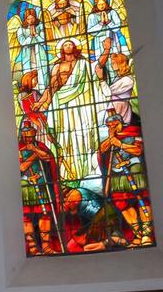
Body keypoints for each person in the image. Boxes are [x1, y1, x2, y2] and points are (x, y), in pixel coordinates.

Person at [33, 39, 97, 180]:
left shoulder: (83, 63)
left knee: (81, 135)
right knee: (64, 136)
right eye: (65, 45)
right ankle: (66, 174)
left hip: (80, 103)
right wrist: (40, 102)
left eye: (70, 44)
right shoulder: (57, 66)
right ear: (62, 49)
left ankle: (85, 171)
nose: (68, 46)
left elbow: (92, 83)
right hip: (61, 103)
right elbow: (52, 87)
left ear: (75, 47)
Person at [98, 109, 154, 245]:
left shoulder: (132, 133)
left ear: (120, 123)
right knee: (121, 202)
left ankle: (147, 233)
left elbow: (138, 150)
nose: (112, 128)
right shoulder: (110, 139)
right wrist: (111, 140)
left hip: (134, 168)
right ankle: (137, 233)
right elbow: (101, 150)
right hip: (118, 173)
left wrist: (121, 144)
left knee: (142, 197)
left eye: (114, 125)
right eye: (109, 126)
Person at [18, 121, 61, 255]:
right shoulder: (17, 148)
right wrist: (34, 155)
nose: (28, 139)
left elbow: (48, 158)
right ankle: (33, 248)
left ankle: (46, 247)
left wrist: (36, 150)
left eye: (31, 136)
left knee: (45, 213)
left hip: (41, 184)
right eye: (26, 136)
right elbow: (22, 167)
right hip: (26, 186)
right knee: (27, 216)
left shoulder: (39, 146)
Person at [96, 52, 137, 127]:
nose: (112, 65)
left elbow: (108, 92)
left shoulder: (128, 80)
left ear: (121, 63)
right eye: (112, 63)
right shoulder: (118, 78)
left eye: (114, 63)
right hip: (114, 108)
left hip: (121, 110)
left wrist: (101, 79)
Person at [86, 0, 127, 64]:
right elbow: (90, 32)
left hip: (112, 40)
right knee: (102, 61)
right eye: (99, 4)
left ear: (106, 3)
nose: (101, 6)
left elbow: (117, 28)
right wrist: (101, 23)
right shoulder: (92, 16)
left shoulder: (112, 12)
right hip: (98, 42)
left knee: (114, 59)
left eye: (103, 4)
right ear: (96, 5)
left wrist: (108, 22)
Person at [15, 8, 49, 89]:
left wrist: (36, 34)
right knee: (29, 75)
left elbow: (43, 40)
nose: (30, 21)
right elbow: (23, 43)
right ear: (25, 19)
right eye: (28, 19)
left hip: (40, 53)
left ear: (35, 18)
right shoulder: (21, 29)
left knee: (42, 73)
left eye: (32, 18)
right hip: (27, 55)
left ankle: (44, 91)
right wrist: (30, 36)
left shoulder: (40, 26)